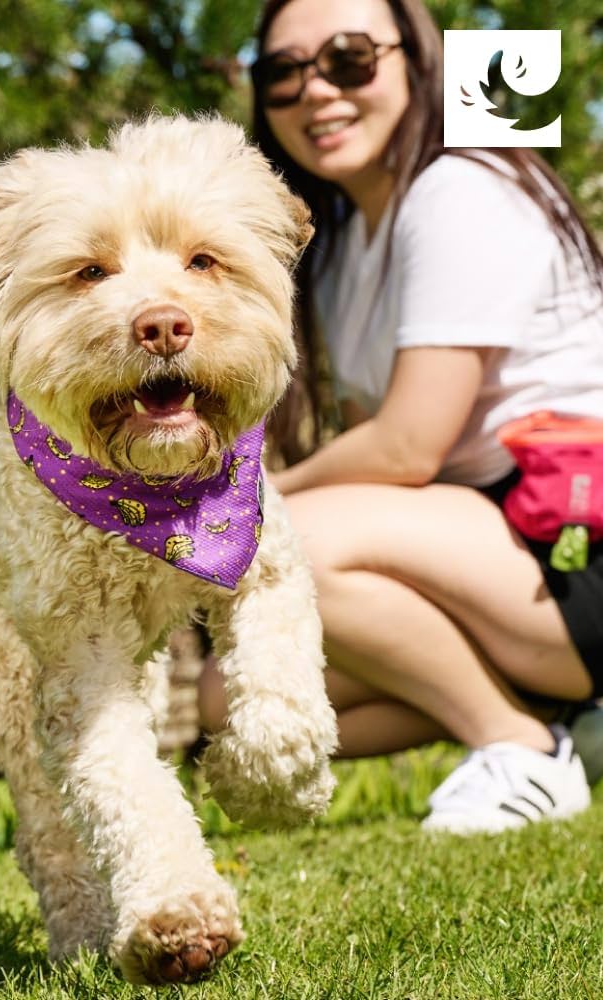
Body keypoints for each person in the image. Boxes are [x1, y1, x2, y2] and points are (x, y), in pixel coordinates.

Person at [206, 0, 603, 834]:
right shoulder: (345, 239)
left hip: (572, 540)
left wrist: (234, 498)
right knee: (234, 694)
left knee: (283, 542)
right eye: (285, 70)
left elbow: (406, 448)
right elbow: (372, 449)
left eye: (349, 59)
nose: (316, 91)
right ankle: (568, 725)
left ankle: (522, 747)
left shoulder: (462, 185)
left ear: (418, 62)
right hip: (492, 552)